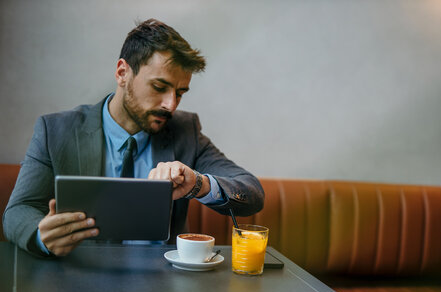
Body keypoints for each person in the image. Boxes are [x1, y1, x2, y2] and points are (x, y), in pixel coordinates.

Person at [3, 19, 264, 257]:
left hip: (161, 286)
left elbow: (251, 192)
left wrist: (198, 183)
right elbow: (18, 211)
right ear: (122, 73)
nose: (170, 105)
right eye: (159, 87)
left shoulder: (186, 131)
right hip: (77, 279)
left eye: (180, 92)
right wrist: (41, 236)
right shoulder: (56, 131)